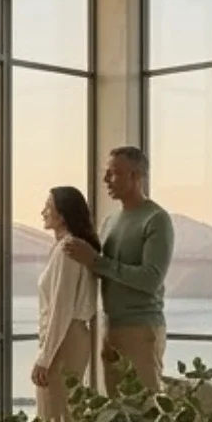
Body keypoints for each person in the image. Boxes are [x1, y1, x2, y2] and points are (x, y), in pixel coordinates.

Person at [66, 145, 175, 393]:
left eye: (113, 173)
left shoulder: (157, 219)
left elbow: (151, 279)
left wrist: (95, 260)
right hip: (110, 327)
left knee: (142, 412)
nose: (105, 179)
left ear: (136, 176)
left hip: (141, 329)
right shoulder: (110, 221)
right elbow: (100, 270)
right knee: (116, 417)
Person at [31, 186, 100, 422]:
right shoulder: (65, 248)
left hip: (65, 340)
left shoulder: (67, 250)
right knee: (64, 419)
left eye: (48, 206)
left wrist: (44, 358)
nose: (43, 211)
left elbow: (59, 309)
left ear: (62, 212)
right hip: (69, 338)